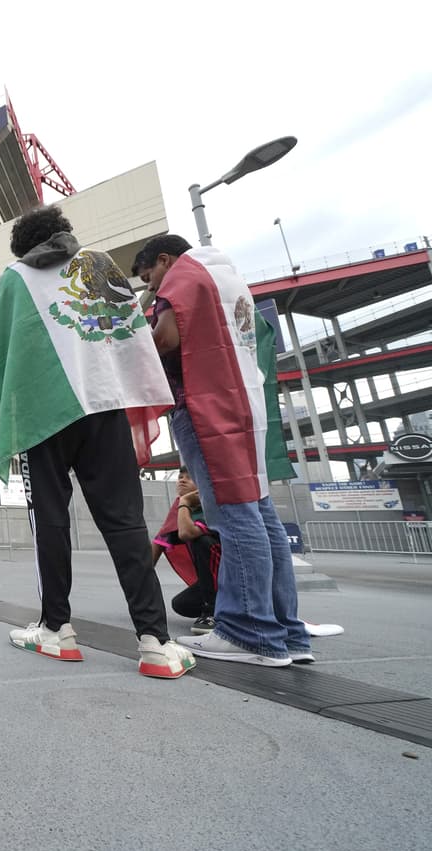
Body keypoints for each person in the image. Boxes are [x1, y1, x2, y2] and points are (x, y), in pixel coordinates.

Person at [0, 205, 195, 679]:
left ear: (25, 246)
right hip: (104, 404)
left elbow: (6, 356)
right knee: (124, 522)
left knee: (51, 521)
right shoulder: (98, 264)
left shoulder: (16, 277)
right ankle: (155, 642)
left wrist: (5, 416)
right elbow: (132, 337)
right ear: (65, 233)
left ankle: (57, 630)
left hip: (45, 414)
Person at [143, 234, 312, 666]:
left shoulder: (182, 277)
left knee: (232, 516)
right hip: (243, 405)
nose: (150, 286)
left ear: (164, 260)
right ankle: (285, 631)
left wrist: (137, 330)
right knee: (260, 512)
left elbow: (165, 339)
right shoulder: (225, 277)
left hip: (205, 407)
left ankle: (249, 631)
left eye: (149, 276)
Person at [151, 467, 219, 634]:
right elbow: (162, 540)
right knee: (182, 604)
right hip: (218, 579)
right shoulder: (183, 507)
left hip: (234, 577)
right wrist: (140, 578)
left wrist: (184, 503)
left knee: (201, 540)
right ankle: (227, 609)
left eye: (190, 477)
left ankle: (212, 613)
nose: (182, 480)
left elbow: (186, 533)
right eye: (180, 476)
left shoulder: (211, 504)